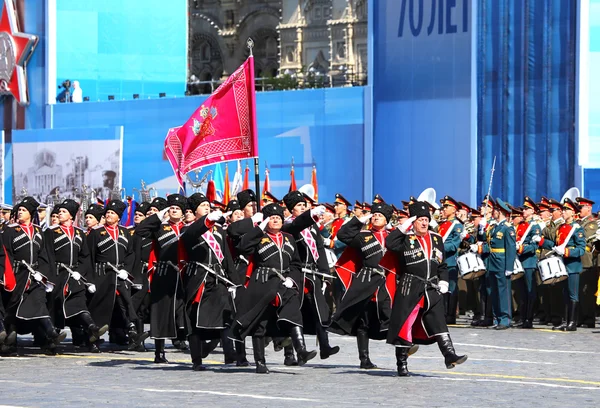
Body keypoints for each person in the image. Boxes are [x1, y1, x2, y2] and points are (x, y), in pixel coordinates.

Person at [228, 203, 317, 374]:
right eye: (272, 218)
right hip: (263, 282)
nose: (276, 220)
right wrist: (257, 229)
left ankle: (301, 350)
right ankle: (260, 362)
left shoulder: (289, 237)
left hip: (284, 283)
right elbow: (242, 247)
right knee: (260, 323)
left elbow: (296, 263)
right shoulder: (258, 236)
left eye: (278, 217)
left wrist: (292, 278)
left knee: (293, 312)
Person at [386, 201, 467, 377]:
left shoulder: (436, 239)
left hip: (431, 287)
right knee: (405, 325)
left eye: (426, 219)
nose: (424, 223)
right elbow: (389, 243)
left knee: (438, 320)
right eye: (420, 219)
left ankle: (449, 355)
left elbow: (442, 265)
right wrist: (404, 226)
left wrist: (444, 281)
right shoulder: (406, 239)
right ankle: (401, 363)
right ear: (413, 221)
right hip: (410, 286)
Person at [329, 202, 396, 369]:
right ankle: (364, 359)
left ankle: (402, 351)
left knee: (391, 316)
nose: (376, 217)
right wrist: (359, 220)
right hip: (367, 281)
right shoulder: (363, 236)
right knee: (363, 321)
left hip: (387, 282)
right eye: (374, 214)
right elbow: (343, 235)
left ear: (387, 220)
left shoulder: (393, 236)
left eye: (380, 215)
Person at [181, 193, 240, 371]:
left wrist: (234, 282)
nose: (207, 207)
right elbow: (191, 234)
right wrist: (206, 222)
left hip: (218, 277)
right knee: (196, 320)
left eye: (208, 204)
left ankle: (229, 354)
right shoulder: (188, 229)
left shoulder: (219, 231)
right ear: (194, 211)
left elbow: (227, 258)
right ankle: (196, 359)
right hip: (200, 278)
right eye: (202, 205)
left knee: (225, 316)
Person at [1, 196, 67, 355]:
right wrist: (6, 276)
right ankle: (10, 342)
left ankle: (51, 333)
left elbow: (44, 255)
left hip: (35, 276)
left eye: (23, 210)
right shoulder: (10, 230)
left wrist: (43, 275)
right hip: (17, 275)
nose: (20, 213)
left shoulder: (38, 231)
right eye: (19, 210)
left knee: (39, 303)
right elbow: (6, 255)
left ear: (31, 213)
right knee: (13, 307)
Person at [282, 191, 339, 362]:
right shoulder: (288, 225)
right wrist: (310, 215)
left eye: (304, 205)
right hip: (297, 273)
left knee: (320, 310)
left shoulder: (312, 226)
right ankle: (291, 353)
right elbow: (298, 224)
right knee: (294, 311)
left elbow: (319, 249)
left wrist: (325, 274)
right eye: (299, 205)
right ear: (292, 209)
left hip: (313, 273)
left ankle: (325, 346)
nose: (303, 207)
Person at [44, 199, 107, 352]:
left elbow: (85, 257)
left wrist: (83, 274)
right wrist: (49, 279)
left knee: (79, 302)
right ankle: (51, 340)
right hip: (58, 275)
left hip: (75, 275)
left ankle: (92, 327)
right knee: (56, 307)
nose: (60, 213)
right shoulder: (51, 232)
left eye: (64, 211)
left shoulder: (79, 233)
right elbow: (48, 256)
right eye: (60, 211)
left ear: (71, 216)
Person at [87, 199, 147, 350]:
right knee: (99, 307)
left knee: (125, 303)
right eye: (107, 212)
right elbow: (89, 256)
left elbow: (130, 254)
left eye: (112, 213)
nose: (108, 215)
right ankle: (93, 339)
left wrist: (126, 270)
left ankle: (132, 330)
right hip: (102, 274)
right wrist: (90, 280)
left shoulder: (125, 232)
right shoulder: (96, 233)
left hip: (120, 275)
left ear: (119, 217)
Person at [134, 194, 188, 363]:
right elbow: (140, 230)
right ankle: (159, 352)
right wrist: (158, 216)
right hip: (164, 273)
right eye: (171, 207)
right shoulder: (159, 228)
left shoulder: (188, 229)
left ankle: (187, 341)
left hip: (185, 274)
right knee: (161, 312)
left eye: (177, 208)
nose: (174, 210)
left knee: (184, 311)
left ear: (184, 212)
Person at [535, 198, 586, 331]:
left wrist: (567, 251)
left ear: (572, 212)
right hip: (561, 265)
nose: (563, 212)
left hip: (572, 265)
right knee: (564, 294)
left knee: (572, 294)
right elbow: (554, 245)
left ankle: (572, 322)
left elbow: (581, 249)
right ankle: (565, 320)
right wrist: (541, 241)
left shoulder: (577, 229)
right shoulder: (561, 228)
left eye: (565, 210)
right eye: (562, 210)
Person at [473, 198, 517, 330]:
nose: (495, 212)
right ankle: (497, 317)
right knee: (494, 292)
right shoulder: (494, 227)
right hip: (492, 262)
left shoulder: (507, 228)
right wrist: (481, 229)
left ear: (502, 212)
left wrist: (509, 267)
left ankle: (505, 319)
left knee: (503, 292)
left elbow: (511, 248)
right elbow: (484, 241)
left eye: (497, 210)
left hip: (502, 262)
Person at [514, 198, 542, 329]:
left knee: (530, 291)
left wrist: (521, 248)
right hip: (519, 262)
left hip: (529, 262)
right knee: (521, 292)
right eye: (523, 209)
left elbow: (533, 246)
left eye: (526, 209)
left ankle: (529, 319)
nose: (523, 211)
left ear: (532, 211)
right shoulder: (520, 225)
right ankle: (523, 317)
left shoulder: (534, 226)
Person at [437, 196, 464, 325]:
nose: (444, 209)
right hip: (440, 261)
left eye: (447, 207)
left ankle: (450, 315)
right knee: (440, 288)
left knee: (451, 289)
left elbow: (454, 245)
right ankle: (441, 313)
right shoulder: (442, 225)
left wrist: (438, 247)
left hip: (450, 261)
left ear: (454, 210)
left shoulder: (457, 225)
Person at [575, 197, 598, 328]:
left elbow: (586, 238)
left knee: (587, 291)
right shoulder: (580, 222)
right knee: (579, 290)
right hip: (579, 258)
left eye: (581, 208)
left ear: (588, 208)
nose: (579, 210)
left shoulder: (592, 223)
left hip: (587, 259)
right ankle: (581, 317)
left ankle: (589, 318)